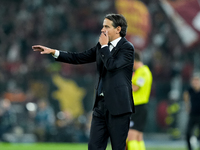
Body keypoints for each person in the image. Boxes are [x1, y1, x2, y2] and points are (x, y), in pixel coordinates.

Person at [32, 13, 135, 150]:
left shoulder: (127, 48)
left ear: (118, 29)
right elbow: (78, 58)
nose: (102, 30)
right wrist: (53, 52)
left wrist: (104, 47)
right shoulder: (101, 47)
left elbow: (112, 66)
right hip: (100, 106)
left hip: (119, 106)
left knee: (118, 147)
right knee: (94, 147)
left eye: (106, 26)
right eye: (102, 26)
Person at [127, 51, 153, 150]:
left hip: (138, 106)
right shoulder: (142, 71)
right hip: (141, 107)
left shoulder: (142, 72)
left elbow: (135, 87)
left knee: (131, 137)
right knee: (138, 137)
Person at [183, 72, 200, 150]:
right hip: (193, 115)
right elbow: (185, 94)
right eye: (194, 81)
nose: (195, 83)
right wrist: (187, 106)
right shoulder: (191, 90)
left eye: (197, 81)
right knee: (188, 133)